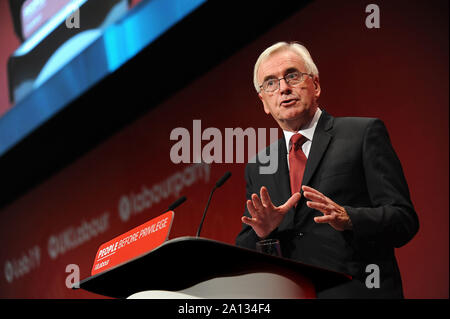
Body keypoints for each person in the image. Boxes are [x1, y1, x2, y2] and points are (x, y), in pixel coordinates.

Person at [235, 41, 419, 298]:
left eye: (292, 76)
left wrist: (349, 218)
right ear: (264, 102)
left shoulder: (362, 134)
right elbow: (246, 249)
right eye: (270, 83)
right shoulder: (260, 166)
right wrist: (266, 234)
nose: (284, 88)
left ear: (316, 85)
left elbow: (404, 220)